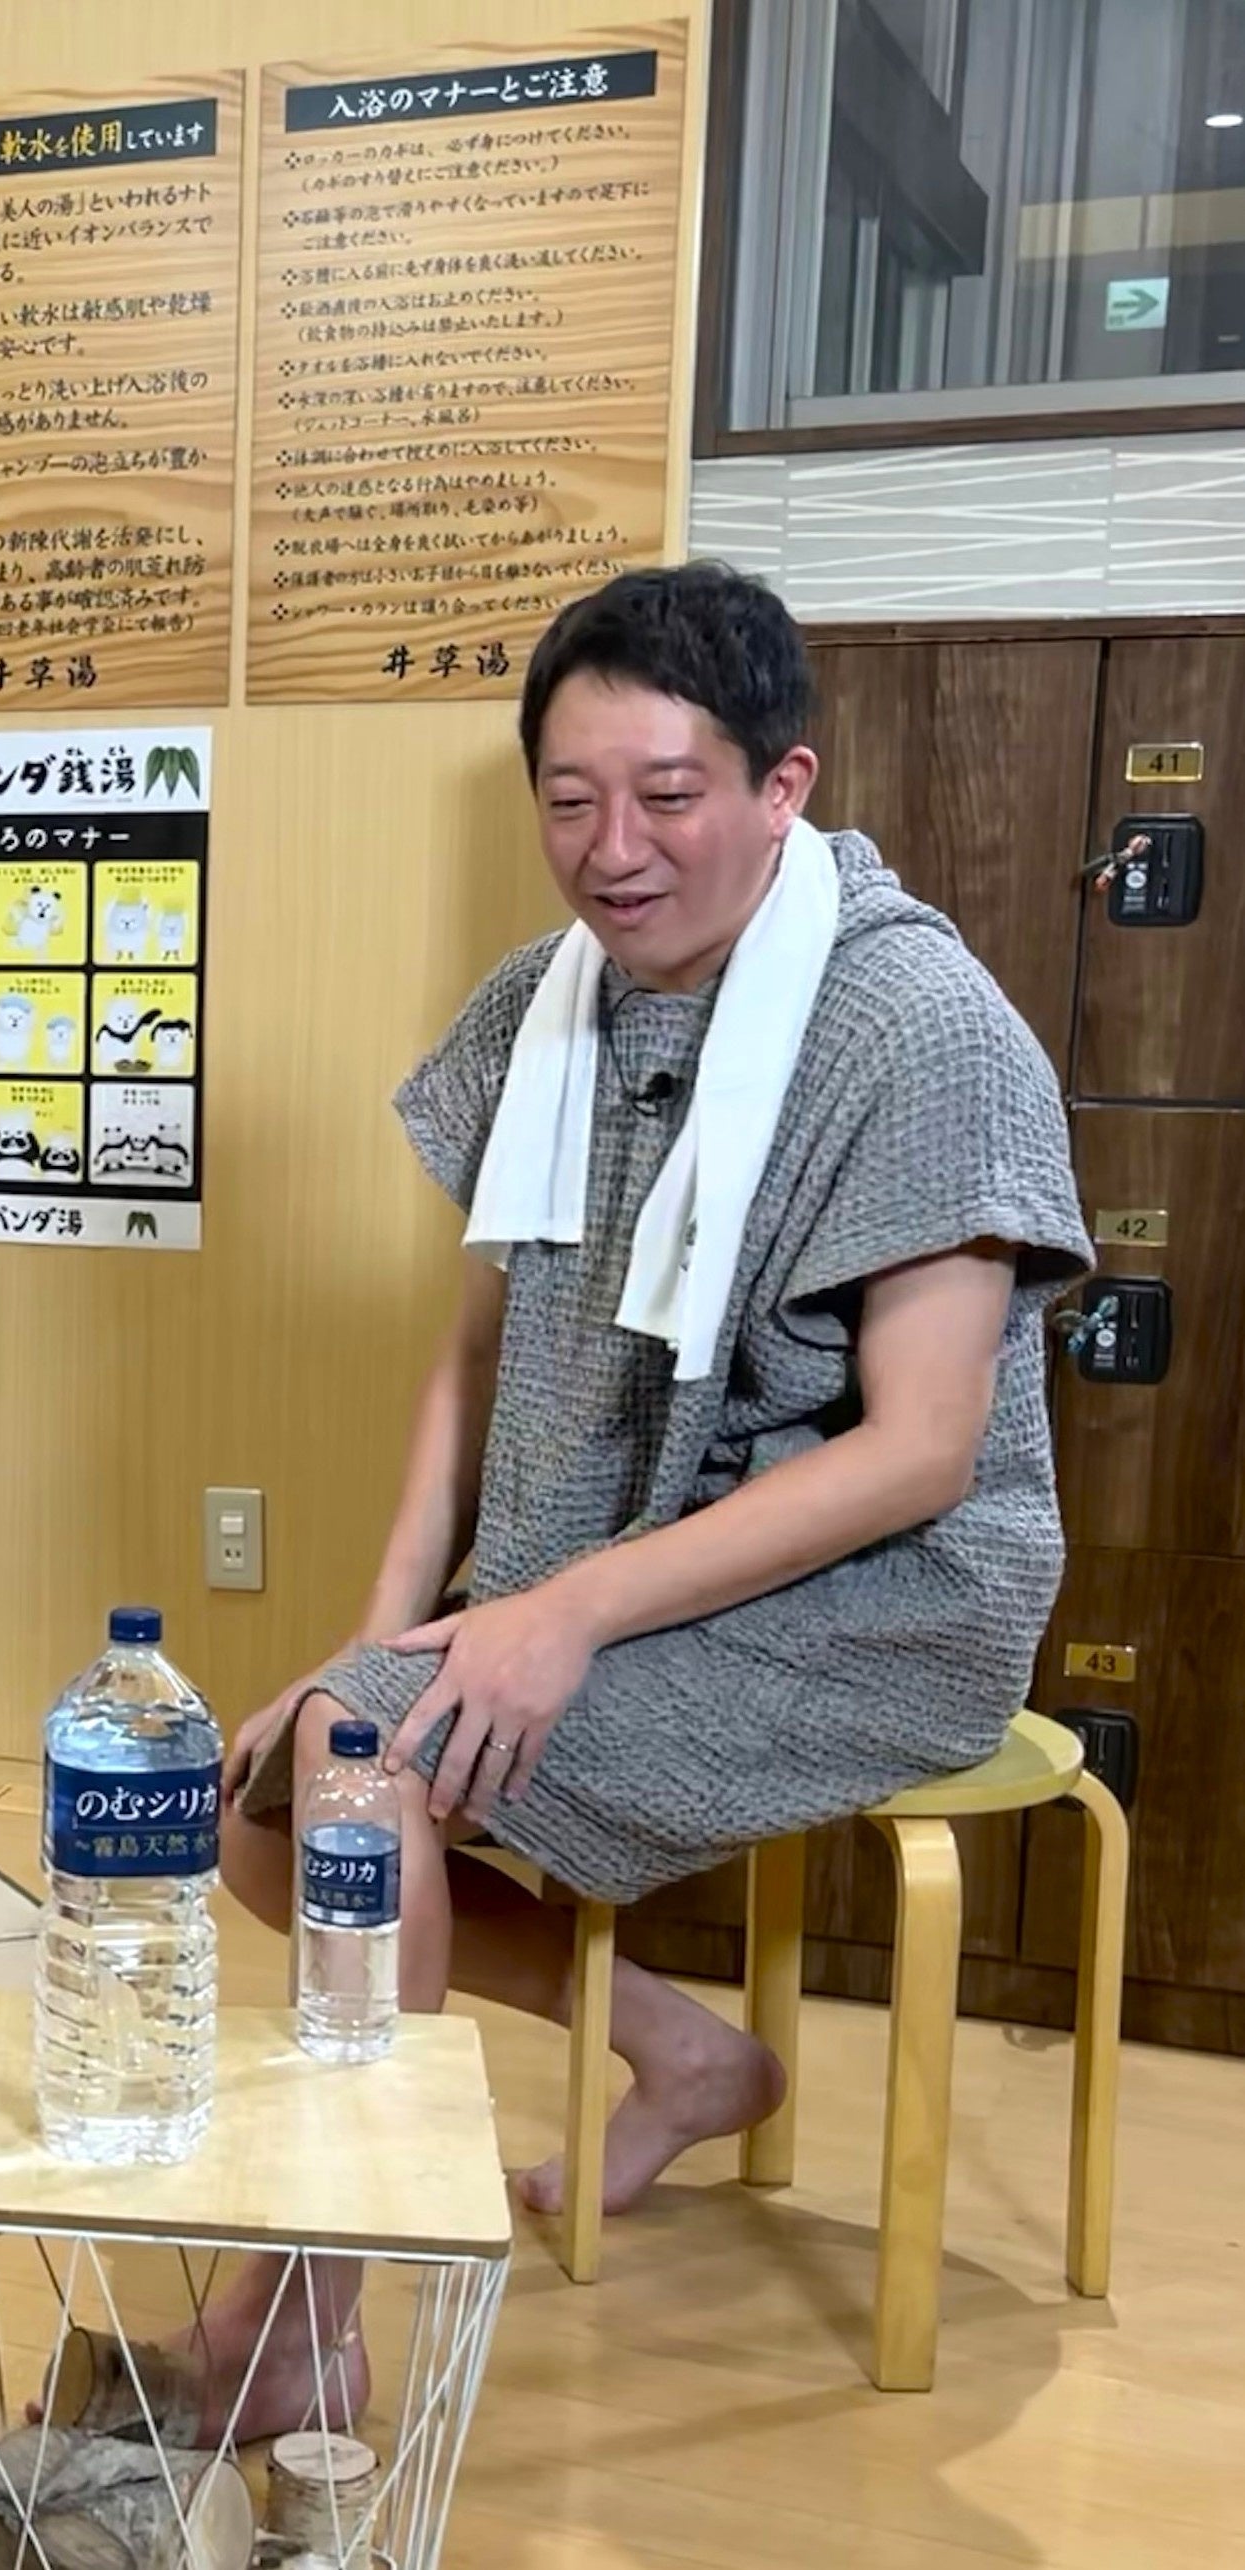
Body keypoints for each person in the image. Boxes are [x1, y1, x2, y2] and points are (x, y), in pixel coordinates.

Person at [193, 562, 1090, 2438]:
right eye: (569, 798)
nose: (612, 850)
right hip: (598, 1557)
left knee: (355, 1771)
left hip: (886, 1595)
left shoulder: (921, 1029)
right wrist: (381, 1638)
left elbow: (920, 1449)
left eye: (667, 794)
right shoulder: (545, 1005)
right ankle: (686, 2056)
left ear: (781, 784)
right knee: (267, 1800)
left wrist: (558, 1613)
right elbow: (467, 1365)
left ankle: (295, 2317)